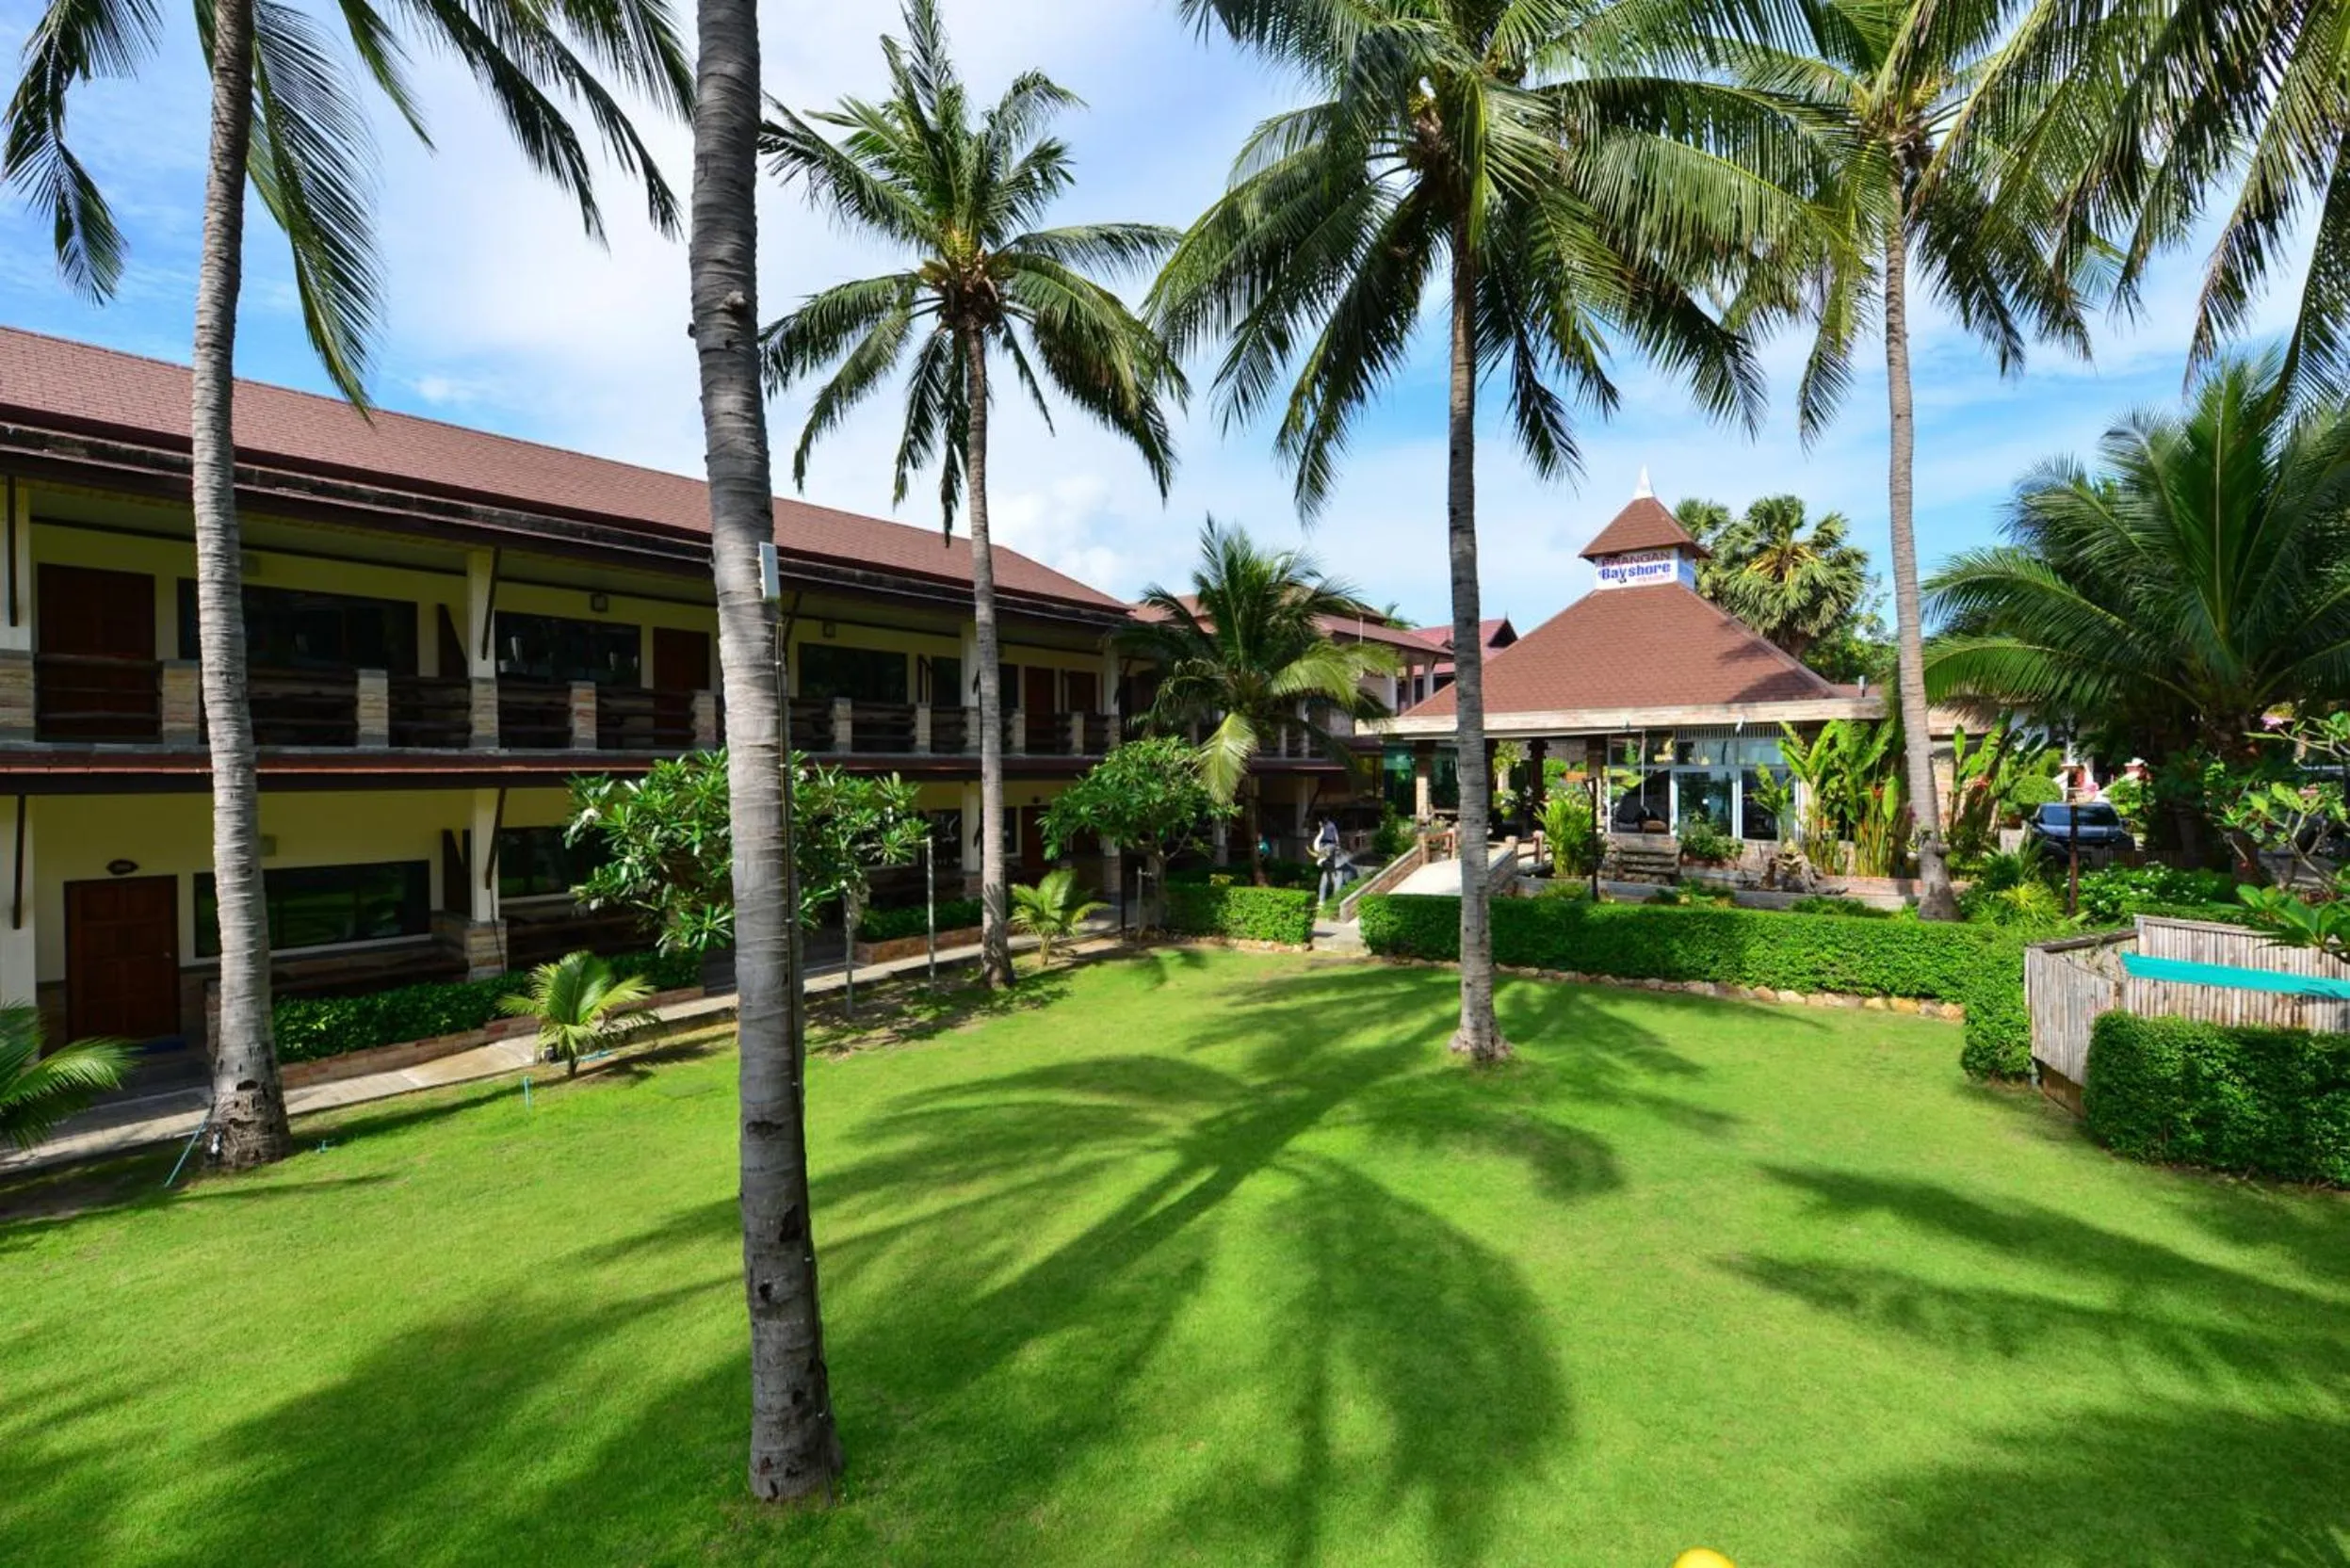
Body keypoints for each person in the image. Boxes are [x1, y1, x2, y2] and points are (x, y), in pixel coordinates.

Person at [1313, 816, 1349, 905]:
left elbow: (1335, 835)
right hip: (1328, 865)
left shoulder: (1331, 826)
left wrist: (1337, 843)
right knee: (1322, 885)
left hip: (1336, 866)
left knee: (1337, 888)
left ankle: (1334, 904)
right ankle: (1321, 901)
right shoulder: (1323, 827)